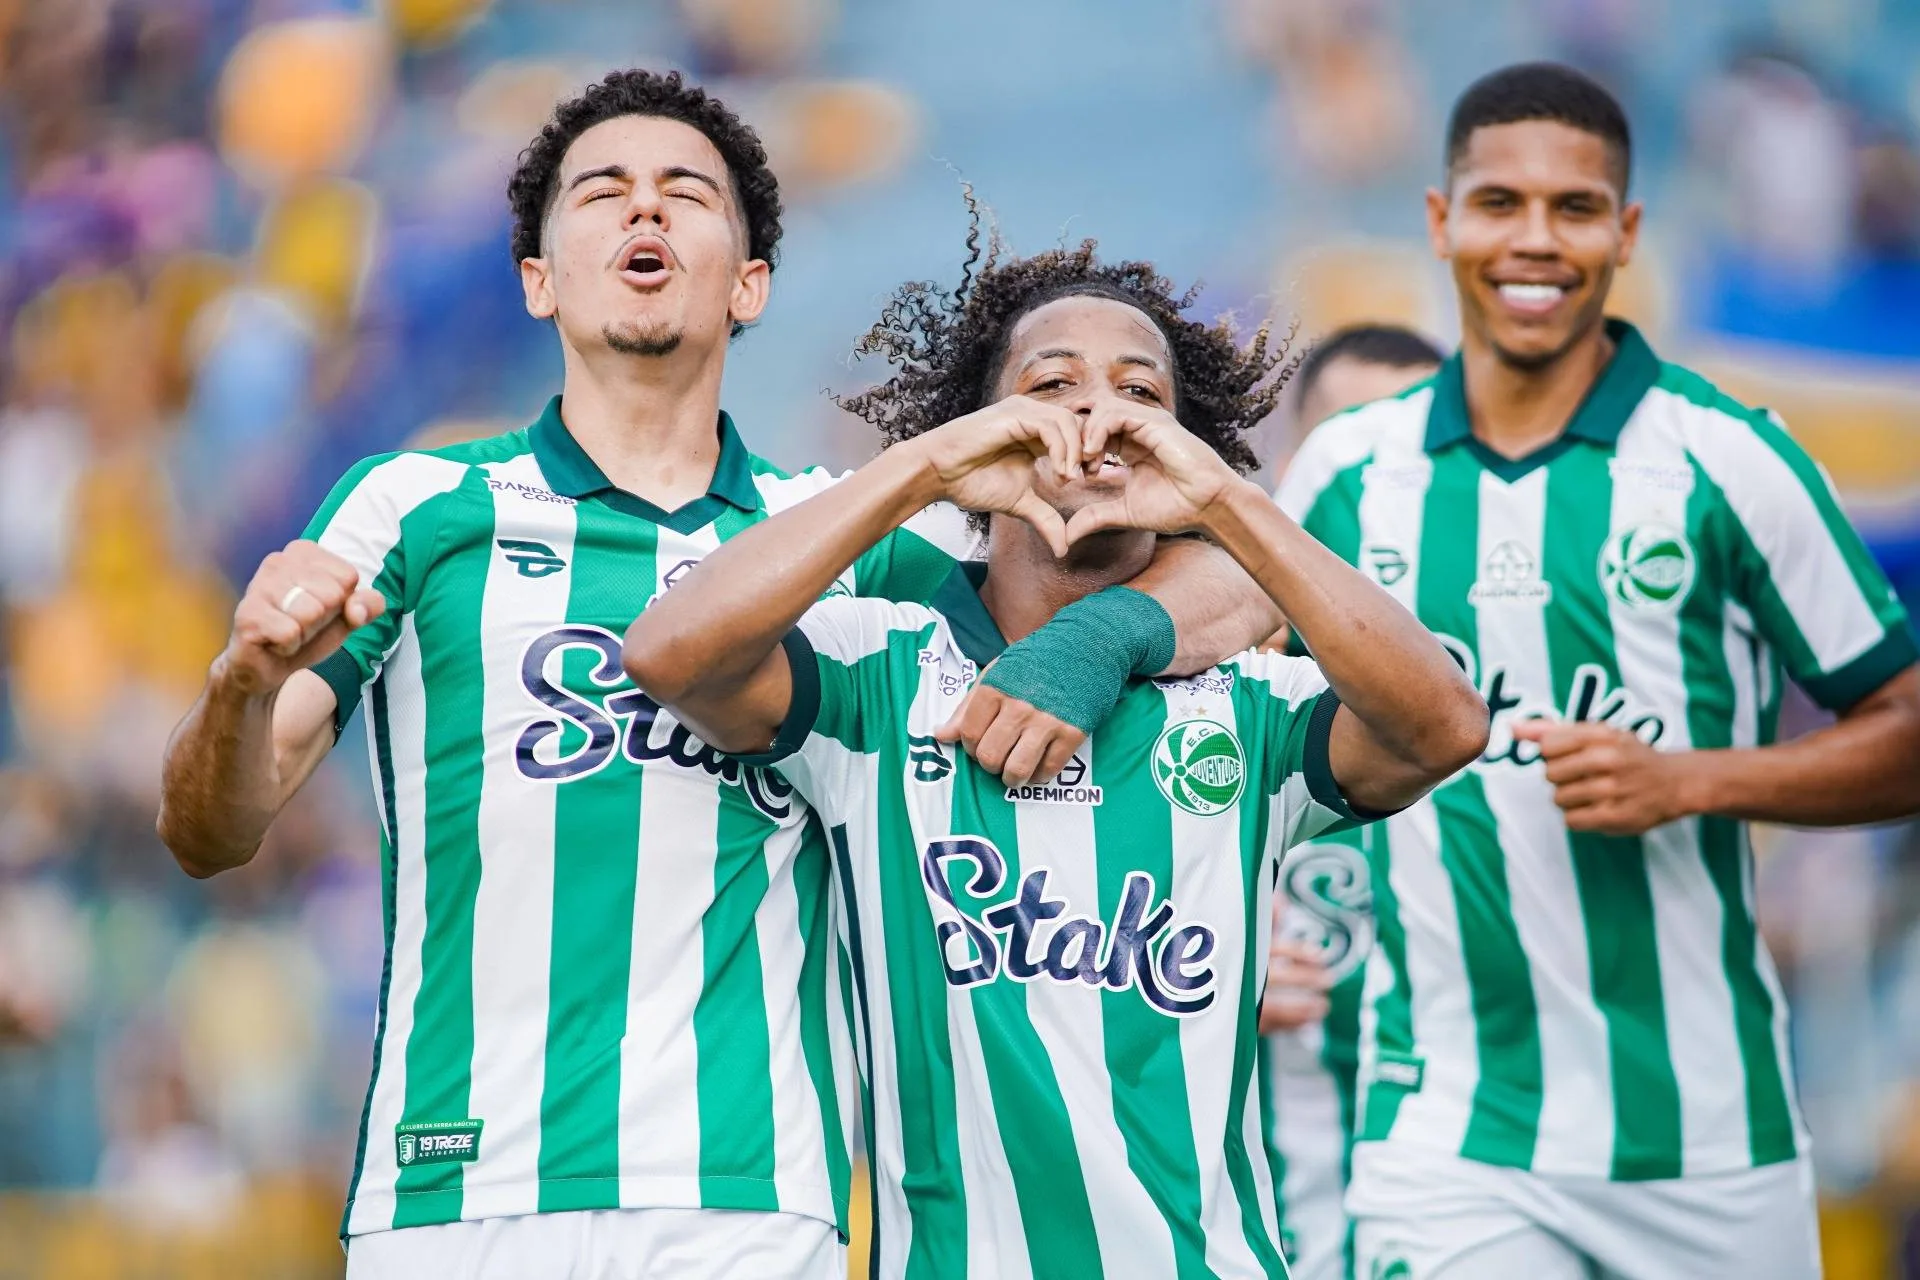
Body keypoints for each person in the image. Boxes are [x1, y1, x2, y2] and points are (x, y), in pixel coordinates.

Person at [155, 70, 1281, 1278]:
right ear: (537, 277)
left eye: (686, 194)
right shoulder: (422, 504)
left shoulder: (843, 536)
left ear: (751, 283)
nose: (644, 214)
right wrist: (240, 685)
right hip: (454, 1183)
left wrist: (1104, 635)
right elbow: (216, 830)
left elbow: (1229, 566)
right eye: (602, 193)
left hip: (750, 1197)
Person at [623, 236, 1489, 1278]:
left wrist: (1223, 503)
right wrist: (927, 468)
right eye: (1050, 386)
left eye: (1141, 392)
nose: (1097, 414)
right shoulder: (881, 676)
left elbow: (1444, 725)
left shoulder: (1251, 705)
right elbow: (672, 652)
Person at [1274, 62, 1920, 1280]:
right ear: (1439, 220)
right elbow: (1248, 732)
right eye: (1499, 202)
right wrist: (1252, 915)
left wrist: (1692, 782)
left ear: (1626, 231)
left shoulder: (1732, 459)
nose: (1535, 238)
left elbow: (1905, 726)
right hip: (1449, 1136)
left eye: (1575, 208)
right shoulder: (1346, 475)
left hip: (1712, 1140)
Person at [1256, 324, 1442, 1280]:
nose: (1376, 482)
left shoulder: (1497, 704)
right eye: (1350, 444)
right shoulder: (1210, 677)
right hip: (1277, 1219)